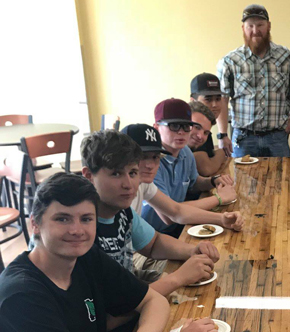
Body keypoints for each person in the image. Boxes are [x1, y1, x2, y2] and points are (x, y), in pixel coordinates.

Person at [0, 173, 219, 332]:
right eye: (62, 219)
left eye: (86, 219)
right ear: (36, 224)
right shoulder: (20, 294)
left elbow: (153, 301)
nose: (76, 230)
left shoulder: (86, 257)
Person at [81, 130, 219, 294]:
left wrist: (192, 251)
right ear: (89, 175)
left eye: (133, 173)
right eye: (116, 173)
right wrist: (178, 278)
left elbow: (153, 244)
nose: (129, 184)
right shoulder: (81, 233)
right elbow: (113, 313)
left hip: (131, 287)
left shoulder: (122, 211)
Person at [122, 123, 243, 275]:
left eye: (155, 157)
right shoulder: (107, 206)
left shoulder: (143, 184)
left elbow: (175, 213)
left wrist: (221, 219)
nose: (150, 164)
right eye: (141, 157)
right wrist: (179, 278)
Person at [141, 98, 236, 237]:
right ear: (156, 128)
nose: (181, 132)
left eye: (186, 126)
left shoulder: (184, 151)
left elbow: (193, 183)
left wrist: (213, 181)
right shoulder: (149, 163)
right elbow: (169, 215)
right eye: (174, 126)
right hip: (152, 236)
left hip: (180, 226)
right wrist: (219, 198)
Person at [216, 4, 290, 158]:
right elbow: (222, 98)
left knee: (281, 180)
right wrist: (222, 134)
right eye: (250, 26)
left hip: (278, 138)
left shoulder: (287, 58)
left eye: (260, 25)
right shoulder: (230, 62)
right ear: (243, 28)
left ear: (268, 26)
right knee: (241, 181)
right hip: (243, 139)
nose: (255, 31)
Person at [189, 73, 231, 174]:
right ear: (193, 101)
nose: (215, 105)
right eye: (208, 99)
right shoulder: (193, 127)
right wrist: (222, 152)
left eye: (218, 99)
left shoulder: (206, 128)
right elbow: (206, 168)